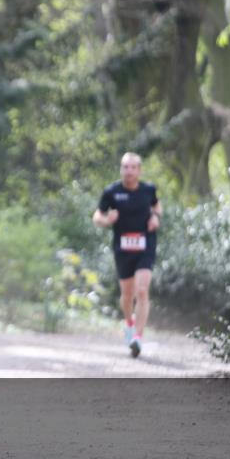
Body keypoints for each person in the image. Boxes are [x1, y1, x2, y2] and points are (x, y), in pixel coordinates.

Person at [92, 152, 161, 358]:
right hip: (122, 248)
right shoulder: (112, 192)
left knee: (142, 290)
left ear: (139, 170)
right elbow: (97, 215)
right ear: (121, 169)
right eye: (125, 167)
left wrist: (156, 217)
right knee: (127, 295)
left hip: (145, 245)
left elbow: (156, 205)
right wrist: (106, 220)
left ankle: (138, 338)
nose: (128, 171)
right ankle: (129, 323)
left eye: (132, 167)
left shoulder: (148, 190)